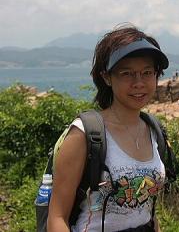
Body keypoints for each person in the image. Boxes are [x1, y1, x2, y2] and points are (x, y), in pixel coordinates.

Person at [47, 24, 169, 232]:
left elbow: (148, 210)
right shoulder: (85, 134)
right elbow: (57, 217)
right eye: (127, 73)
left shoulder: (153, 130)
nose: (139, 82)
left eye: (147, 72)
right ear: (106, 77)